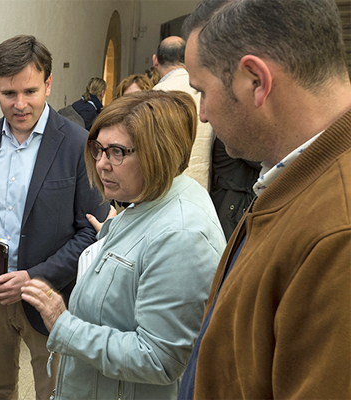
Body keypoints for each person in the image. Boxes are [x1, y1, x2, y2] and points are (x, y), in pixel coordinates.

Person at [178, 0, 351, 398]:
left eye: (202, 91)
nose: (202, 114)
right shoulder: (297, 175)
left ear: (255, 80)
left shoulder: (337, 228)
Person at [21, 90, 226, 400]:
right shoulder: (150, 200)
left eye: (117, 152)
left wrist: (63, 325)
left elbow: (159, 359)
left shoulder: (183, 235)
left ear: (158, 153)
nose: (102, 164)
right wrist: (115, 235)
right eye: (99, 149)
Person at [0, 35, 109, 400]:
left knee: (53, 393)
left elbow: (91, 232)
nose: (20, 104)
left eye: (31, 91)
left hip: (50, 298)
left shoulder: (77, 144)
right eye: (9, 93)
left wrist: (34, 277)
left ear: (48, 84)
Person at [153, 36, 213, 190]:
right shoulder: (203, 90)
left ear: (155, 60)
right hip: (202, 186)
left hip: (166, 189)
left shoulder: (155, 96)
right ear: (186, 59)